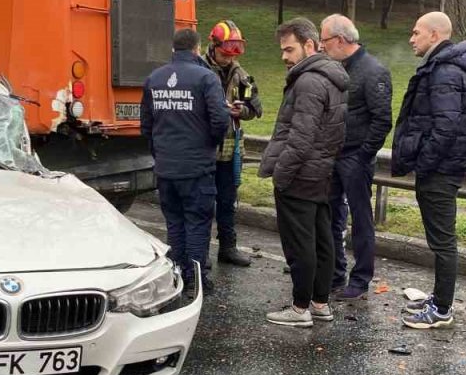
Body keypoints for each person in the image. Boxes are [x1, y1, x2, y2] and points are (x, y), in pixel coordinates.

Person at [390, 11, 466, 330]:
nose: (412, 38)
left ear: (434, 35)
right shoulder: (447, 67)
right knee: (441, 240)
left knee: (443, 241)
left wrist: (424, 164)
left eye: (416, 32)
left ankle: (442, 309)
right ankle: (439, 299)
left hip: (440, 169)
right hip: (444, 166)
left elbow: (445, 127)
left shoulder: (444, 71)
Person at [258, 17, 348, 328]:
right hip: (320, 172)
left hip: (300, 174)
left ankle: (299, 309)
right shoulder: (331, 77)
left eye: (289, 49)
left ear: (309, 45)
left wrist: (282, 174)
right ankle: (320, 303)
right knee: (323, 240)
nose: (284, 56)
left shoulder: (309, 81)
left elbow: (300, 136)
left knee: (300, 245)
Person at [140, 28, 230, 295]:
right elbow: (220, 119)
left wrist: (160, 150)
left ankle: (177, 274)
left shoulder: (154, 78)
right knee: (197, 222)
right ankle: (195, 278)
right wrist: (209, 144)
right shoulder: (206, 78)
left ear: (173, 49)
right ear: (196, 48)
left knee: (175, 223)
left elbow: (146, 124)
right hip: (196, 166)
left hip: (166, 167)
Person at [319, 15, 392, 300]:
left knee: (361, 220)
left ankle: (360, 280)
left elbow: (382, 119)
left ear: (339, 40)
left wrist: (363, 156)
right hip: (333, 155)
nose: (322, 47)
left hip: (355, 157)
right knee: (329, 216)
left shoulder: (372, 70)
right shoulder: (335, 68)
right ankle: (334, 274)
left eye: (324, 41)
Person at [205, 20, 263, 267]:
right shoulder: (201, 72)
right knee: (203, 202)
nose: (228, 60)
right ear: (213, 46)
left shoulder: (241, 76)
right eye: (224, 54)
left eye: (232, 56)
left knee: (227, 201)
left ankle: (228, 247)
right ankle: (200, 251)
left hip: (230, 151)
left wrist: (243, 111)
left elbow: (255, 107)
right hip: (204, 149)